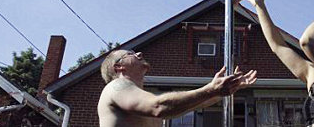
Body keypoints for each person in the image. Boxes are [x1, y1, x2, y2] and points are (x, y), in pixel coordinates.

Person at [97, 49, 257, 127]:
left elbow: (196, 104)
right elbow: (159, 107)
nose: (138, 53)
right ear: (118, 67)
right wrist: (210, 89)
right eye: (130, 54)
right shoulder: (116, 87)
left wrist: (228, 89)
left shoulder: (141, 97)